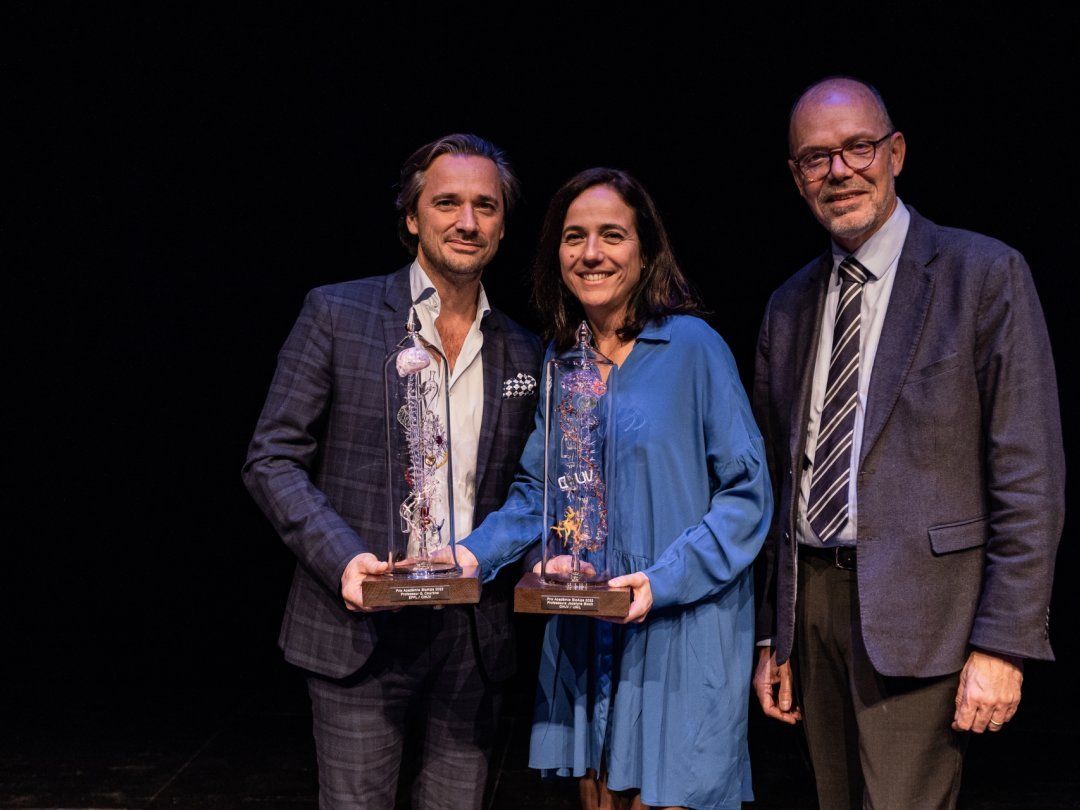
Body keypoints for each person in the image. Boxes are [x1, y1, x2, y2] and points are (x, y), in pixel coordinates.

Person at [751, 75, 1065, 809]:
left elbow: (1029, 476)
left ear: (895, 152)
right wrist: (776, 634)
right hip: (814, 609)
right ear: (796, 179)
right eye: (815, 158)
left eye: (857, 148)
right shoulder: (789, 304)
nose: (839, 171)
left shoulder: (983, 275)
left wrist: (1003, 644)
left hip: (928, 614)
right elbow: (775, 475)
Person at [453, 167, 773, 810]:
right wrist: (465, 557)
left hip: (679, 625)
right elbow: (538, 490)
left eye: (612, 235)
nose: (591, 253)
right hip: (583, 625)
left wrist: (664, 579)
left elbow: (747, 494)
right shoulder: (559, 360)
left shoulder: (692, 347)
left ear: (646, 249)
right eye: (575, 237)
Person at [241, 133, 543, 810]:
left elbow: (534, 486)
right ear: (412, 217)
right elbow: (272, 456)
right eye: (447, 202)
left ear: (501, 222)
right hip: (358, 626)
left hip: (471, 634)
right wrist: (343, 559)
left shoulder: (526, 348)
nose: (468, 221)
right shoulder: (336, 313)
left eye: (485, 206)